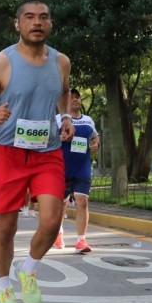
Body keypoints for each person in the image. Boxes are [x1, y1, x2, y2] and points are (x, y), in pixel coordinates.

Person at [0, 0, 74, 303]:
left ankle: (28, 269)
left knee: (52, 220)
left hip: (47, 151)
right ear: (18, 24)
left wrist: (65, 116)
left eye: (43, 17)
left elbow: (64, 91)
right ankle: (4, 287)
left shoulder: (61, 61)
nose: (36, 22)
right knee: (7, 227)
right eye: (29, 17)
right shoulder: (1, 63)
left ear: (50, 23)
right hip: (8, 152)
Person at [54, 88, 100, 254]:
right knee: (61, 204)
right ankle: (58, 233)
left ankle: (81, 240)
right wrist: (59, 138)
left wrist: (96, 143)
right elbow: (48, 139)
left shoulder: (88, 120)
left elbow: (95, 136)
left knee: (82, 201)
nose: (75, 99)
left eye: (77, 97)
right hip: (62, 168)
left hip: (82, 167)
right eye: (71, 97)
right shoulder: (58, 119)